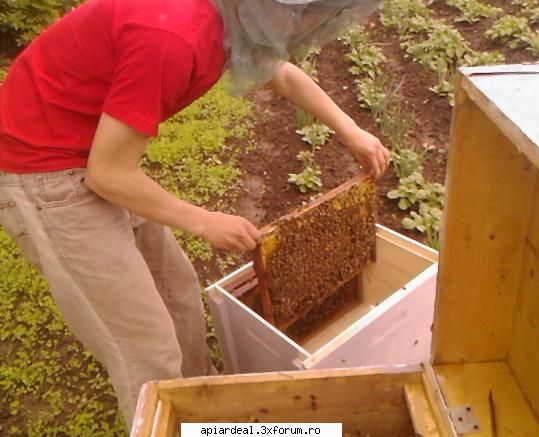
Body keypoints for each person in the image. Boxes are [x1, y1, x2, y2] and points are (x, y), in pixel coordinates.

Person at [0, 0, 389, 429]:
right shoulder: (172, 37)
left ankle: (202, 412)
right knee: (145, 350)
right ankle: (162, 414)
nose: (307, 24)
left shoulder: (231, 16)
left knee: (179, 293)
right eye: (307, 12)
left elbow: (277, 68)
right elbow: (109, 174)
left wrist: (350, 130)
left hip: (92, 148)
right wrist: (203, 220)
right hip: (45, 173)